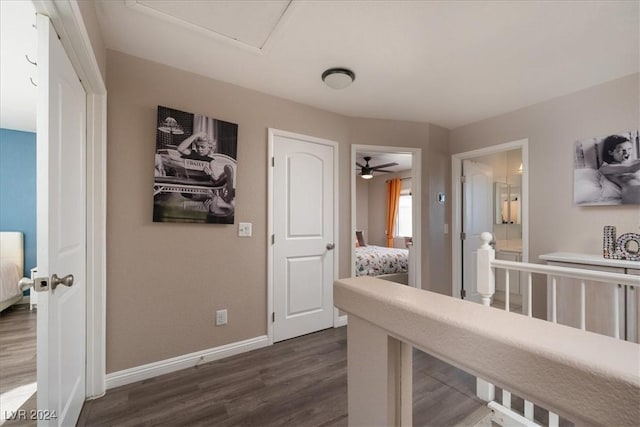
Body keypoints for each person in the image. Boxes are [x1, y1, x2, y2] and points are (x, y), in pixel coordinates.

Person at [599, 135, 640, 203]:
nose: (626, 153)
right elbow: (630, 169)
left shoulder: (634, 162)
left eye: (629, 149)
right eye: (621, 150)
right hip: (632, 190)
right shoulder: (606, 167)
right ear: (610, 152)